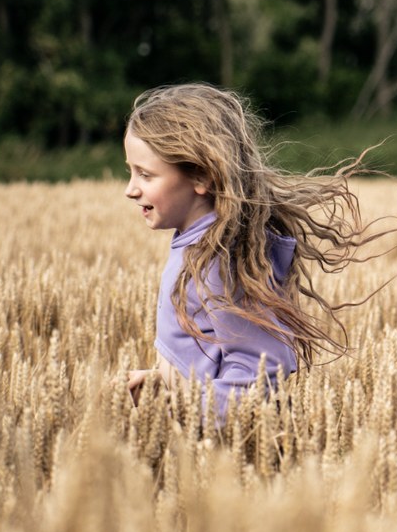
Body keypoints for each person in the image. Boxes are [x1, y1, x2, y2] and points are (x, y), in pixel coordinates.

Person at [120, 83, 380, 418]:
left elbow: (259, 377)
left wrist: (183, 410)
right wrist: (165, 383)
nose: (130, 189)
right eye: (131, 171)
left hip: (223, 456)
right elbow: (212, 360)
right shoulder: (202, 248)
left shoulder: (220, 262)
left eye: (145, 174)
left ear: (202, 176)